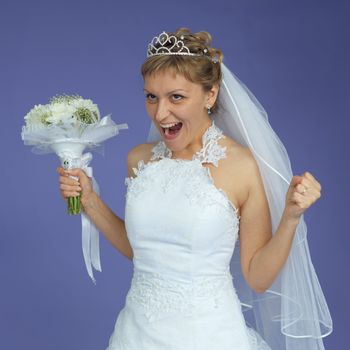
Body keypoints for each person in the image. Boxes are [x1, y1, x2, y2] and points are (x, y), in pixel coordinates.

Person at [57, 28, 332, 349]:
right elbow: (143, 252)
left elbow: (257, 277)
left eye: (176, 97)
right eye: (151, 97)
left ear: (210, 95)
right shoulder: (138, 160)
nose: (161, 113)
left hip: (210, 336)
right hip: (135, 335)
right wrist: (89, 200)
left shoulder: (241, 167)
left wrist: (290, 218)